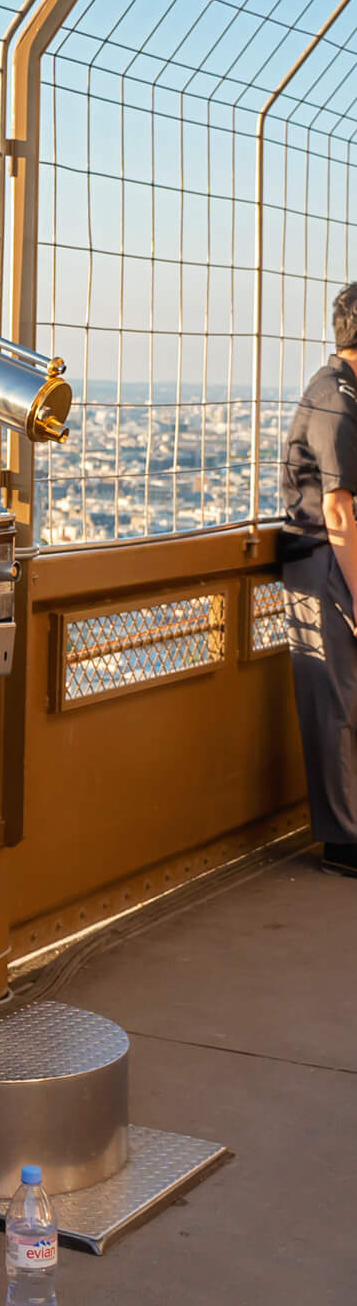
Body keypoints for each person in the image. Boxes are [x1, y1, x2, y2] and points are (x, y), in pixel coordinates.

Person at [281, 281, 357, 878]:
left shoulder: (345, 392)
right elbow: (337, 512)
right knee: (336, 701)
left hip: (338, 558)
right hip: (327, 560)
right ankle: (344, 842)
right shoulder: (335, 399)